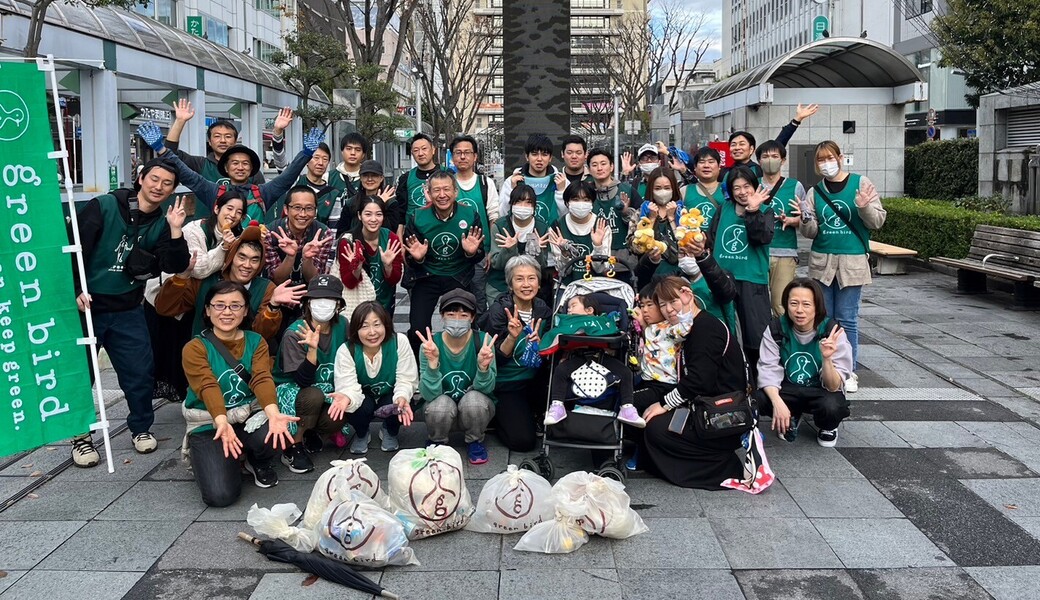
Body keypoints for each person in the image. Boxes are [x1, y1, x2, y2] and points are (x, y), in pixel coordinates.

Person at [69, 158, 191, 467]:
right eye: (154, 179)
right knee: (80, 374)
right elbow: (73, 249)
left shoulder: (164, 223)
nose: (159, 186)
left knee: (139, 371)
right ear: (140, 178)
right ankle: (80, 436)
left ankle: (140, 428)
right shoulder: (104, 206)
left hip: (127, 308)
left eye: (167, 184)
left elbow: (174, 266)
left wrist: (176, 232)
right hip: (88, 307)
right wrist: (73, 290)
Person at [181, 280, 299, 505]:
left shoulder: (256, 341)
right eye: (219, 305)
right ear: (207, 310)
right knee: (220, 496)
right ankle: (221, 458)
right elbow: (208, 385)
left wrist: (274, 414)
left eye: (235, 305)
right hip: (211, 422)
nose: (227, 312)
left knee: (274, 430)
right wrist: (222, 421)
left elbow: (261, 378)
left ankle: (255, 460)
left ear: (245, 310)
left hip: (248, 415)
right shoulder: (194, 348)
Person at [637, 280, 751, 489]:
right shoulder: (690, 326)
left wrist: (663, 404)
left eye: (673, 301)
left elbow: (699, 381)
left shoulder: (705, 328)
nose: (669, 310)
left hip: (723, 417)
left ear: (687, 295)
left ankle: (724, 468)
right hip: (704, 406)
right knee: (651, 422)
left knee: (657, 428)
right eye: (662, 305)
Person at [798, 140, 886, 393]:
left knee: (847, 319)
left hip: (852, 262)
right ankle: (825, 367)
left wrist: (863, 206)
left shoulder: (861, 183)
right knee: (822, 319)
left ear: (840, 157)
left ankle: (849, 371)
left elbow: (877, 221)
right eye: (820, 160)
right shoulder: (815, 192)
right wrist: (805, 217)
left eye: (829, 157)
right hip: (821, 262)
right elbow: (811, 232)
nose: (826, 163)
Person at [136, 121, 322, 220]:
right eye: (234, 163)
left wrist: (306, 154)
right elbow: (186, 173)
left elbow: (287, 178)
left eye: (245, 164)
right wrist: (161, 149)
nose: (240, 167)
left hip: (254, 256)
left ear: (252, 170)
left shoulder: (263, 192)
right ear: (225, 168)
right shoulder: (213, 191)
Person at [155, 225, 304, 340]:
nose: (247, 265)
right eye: (242, 257)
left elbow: (263, 334)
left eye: (254, 260)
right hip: (203, 359)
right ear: (231, 257)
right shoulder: (205, 281)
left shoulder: (265, 288)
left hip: (245, 364)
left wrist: (273, 307)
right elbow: (165, 308)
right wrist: (182, 275)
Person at [757, 277, 852, 447]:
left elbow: (833, 385)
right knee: (760, 398)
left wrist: (827, 358)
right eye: (794, 303)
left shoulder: (832, 332)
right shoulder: (776, 329)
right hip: (789, 388)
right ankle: (791, 413)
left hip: (820, 390)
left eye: (806, 304)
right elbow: (768, 368)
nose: (799, 310)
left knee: (832, 406)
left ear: (817, 306)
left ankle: (827, 426)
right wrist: (778, 403)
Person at [272, 275, 350, 472]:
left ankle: (311, 431)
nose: (323, 306)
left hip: (328, 388)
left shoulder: (342, 325)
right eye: (317, 301)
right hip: (296, 391)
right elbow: (302, 380)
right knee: (313, 395)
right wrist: (312, 350)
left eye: (329, 301)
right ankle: (293, 447)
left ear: (338, 305)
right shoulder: (295, 332)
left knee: (338, 415)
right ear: (307, 304)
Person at [403, 170, 485, 356]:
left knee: (465, 324)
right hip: (426, 275)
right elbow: (410, 259)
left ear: (455, 192)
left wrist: (471, 253)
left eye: (447, 189)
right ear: (429, 193)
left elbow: (480, 254)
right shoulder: (417, 217)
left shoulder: (469, 215)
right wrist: (418, 258)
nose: (442, 195)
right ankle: (421, 369)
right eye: (437, 190)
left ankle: (464, 363)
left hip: (458, 276)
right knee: (418, 328)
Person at [416, 290, 498, 464]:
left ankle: (475, 440)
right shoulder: (430, 345)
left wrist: (483, 368)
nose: (457, 319)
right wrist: (432, 364)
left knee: (474, 400)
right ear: (442, 316)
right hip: (442, 412)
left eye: (463, 315)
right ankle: (437, 440)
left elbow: (488, 389)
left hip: (474, 411)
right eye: (451, 314)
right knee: (439, 405)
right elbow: (428, 395)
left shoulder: (483, 341)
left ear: (472, 318)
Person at [479, 256, 552, 451]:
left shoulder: (543, 310)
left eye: (531, 278)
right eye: (519, 279)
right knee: (523, 442)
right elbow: (495, 360)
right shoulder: (498, 311)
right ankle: (495, 415)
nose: (526, 284)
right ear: (510, 284)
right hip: (507, 383)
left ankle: (531, 412)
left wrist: (541, 346)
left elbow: (549, 355)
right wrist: (511, 338)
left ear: (538, 282)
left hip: (535, 380)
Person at [712, 165, 774, 375]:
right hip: (723, 279)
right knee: (724, 330)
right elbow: (713, 238)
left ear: (755, 186)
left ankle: (757, 381)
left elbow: (761, 237)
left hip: (751, 280)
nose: (741, 192)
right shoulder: (724, 208)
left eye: (746, 186)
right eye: (736, 187)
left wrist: (753, 211)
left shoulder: (765, 210)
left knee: (754, 334)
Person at [544, 295, 642, 428]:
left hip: (602, 357)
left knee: (626, 373)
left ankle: (627, 407)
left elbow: (615, 333)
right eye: (567, 308)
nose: (569, 310)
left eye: (573, 306)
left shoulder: (602, 321)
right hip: (578, 357)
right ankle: (557, 406)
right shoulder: (568, 323)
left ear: (589, 310)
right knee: (560, 370)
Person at [335, 301, 419, 454]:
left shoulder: (399, 342)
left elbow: (406, 379)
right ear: (355, 329)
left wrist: (402, 396)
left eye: (377, 324)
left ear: (386, 325)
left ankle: (390, 430)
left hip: (390, 394)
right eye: (364, 326)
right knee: (351, 403)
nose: (372, 332)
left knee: (401, 401)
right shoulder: (346, 350)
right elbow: (348, 386)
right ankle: (362, 433)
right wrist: (347, 397)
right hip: (363, 396)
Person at [163, 99, 290, 183]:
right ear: (209, 141)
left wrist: (277, 130)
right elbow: (169, 156)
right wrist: (180, 121)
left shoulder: (250, 170)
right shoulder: (200, 165)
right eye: (217, 136)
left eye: (228, 136)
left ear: (235, 141)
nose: (223, 140)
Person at [719, 103, 819, 192]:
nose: (737, 148)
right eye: (733, 144)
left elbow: (778, 144)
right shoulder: (723, 172)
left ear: (751, 149)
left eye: (742, 144)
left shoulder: (759, 170)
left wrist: (796, 120)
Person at [756, 140, 806, 317]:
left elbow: (807, 219)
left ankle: (782, 341)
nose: (770, 160)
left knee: (780, 305)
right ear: (759, 161)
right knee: (756, 305)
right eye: (766, 156)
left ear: (783, 160)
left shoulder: (795, 186)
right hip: (756, 252)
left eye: (775, 156)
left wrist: (794, 220)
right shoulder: (752, 185)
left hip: (784, 252)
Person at [450, 135, 499, 313]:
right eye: (458, 153)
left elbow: (494, 218)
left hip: (480, 253)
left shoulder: (485, 183)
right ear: (452, 156)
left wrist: (492, 251)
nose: (462, 157)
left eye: (467, 153)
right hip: (453, 254)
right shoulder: (447, 184)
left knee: (479, 299)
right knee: (455, 298)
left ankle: (479, 336)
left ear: (475, 156)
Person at [338, 196, 404, 313]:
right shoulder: (348, 241)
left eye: (378, 214)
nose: (373, 219)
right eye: (368, 214)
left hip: (384, 303)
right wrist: (356, 269)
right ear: (359, 215)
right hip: (358, 304)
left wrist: (388, 266)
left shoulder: (391, 239)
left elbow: (395, 280)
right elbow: (348, 283)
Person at [486, 184, 550, 303]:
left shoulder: (541, 228)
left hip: (529, 287)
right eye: (518, 202)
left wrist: (538, 251)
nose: (523, 207)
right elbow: (496, 263)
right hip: (500, 285)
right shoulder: (499, 226)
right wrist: (509, 250)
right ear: (511, 204)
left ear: (534, 206)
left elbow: (542, 266)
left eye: (528, 202)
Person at [266, 142, 345, 231]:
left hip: (318, 242)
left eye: (325, 159)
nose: (320, 163)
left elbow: (333, 230)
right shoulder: (295, 182)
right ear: (307, 160)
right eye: (316, 158)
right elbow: (281, 163)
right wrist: (278, 133)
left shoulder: (333, 195)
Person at [265, 186, 334, 284]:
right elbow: (276, 279)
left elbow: (314, 280)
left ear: (315, 211)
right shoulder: (270, 233)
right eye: (297, 207)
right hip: (278, 292)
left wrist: (307, 258)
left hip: (310, 293)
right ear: (286, 209)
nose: (303, 214)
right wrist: (290, 257)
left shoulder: (324, 235)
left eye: (309, 208)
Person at [547, 181, 611, 286]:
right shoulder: (557, 228)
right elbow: (562, 271)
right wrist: (564, 254)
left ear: (592, 203)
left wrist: (598, 246)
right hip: (567, 287)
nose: (581, 204)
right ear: (567, 203)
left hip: (596, 287)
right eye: (575, 199)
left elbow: (601, 269)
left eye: (586, 200)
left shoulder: (602, 226)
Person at [588, 149, 636, 281]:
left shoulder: (627, 190)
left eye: (603, 163)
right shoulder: (585, 193)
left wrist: (627, 212)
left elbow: (643, 221)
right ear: (589, 169)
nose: (599, 168)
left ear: (612, 166)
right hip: (595, 261)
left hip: (624, 263)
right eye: (594, 164)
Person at [499, 134, 567, 225]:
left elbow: (567, 215)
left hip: (551, 237)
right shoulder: (512, 181)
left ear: (550, 158)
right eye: (534, 154)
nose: (539, 159)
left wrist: (561, 192)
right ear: (527, 157)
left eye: (544, 154)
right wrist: (512, 190)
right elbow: (503, 214)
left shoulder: (561, 181)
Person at [180, 190, 246, 280]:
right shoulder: (193, 231)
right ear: (216, 209)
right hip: (185, 286)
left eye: (239, 212)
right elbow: (197, 271)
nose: (233, 215)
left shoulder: (240, 236)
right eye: (229, 209)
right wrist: (223, 247)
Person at [633, 167, 682, 287]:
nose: (663, 192)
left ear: (673, 189)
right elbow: (634, 246)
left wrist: (671, 218)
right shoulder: (641, 211)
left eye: (667, 188)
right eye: (658, 188)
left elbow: (684, 243)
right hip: (649, 276)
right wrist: (651, 219)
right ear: (651, 189)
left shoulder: (682, 211)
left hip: (677, 276)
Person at [340, 159, 397, 239]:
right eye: (365, 175)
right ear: (360, 178)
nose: (370, 179)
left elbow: (392, 231)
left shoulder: (391, 202)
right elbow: (342, 233)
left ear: (381, 178)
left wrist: (380, 205)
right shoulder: (351, 203)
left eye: (374, 175)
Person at [397, 133, 441, 228]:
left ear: (433, 150)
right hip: (413, 232)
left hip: (441, 229)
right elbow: (401, 210)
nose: (420, 153)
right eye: (416, 150)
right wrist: (400, 231)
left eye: (424, 149)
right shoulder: (406, 178)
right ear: (412, 154)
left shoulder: (447, 174)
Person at [681, 147, 725, 232]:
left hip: (717, 241)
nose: (706, 165)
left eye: (711, 162)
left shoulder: (727, 190)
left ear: (719, 166)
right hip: (691, 242)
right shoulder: (684, 191)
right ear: (695, 167)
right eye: (702, 162)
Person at [328, 132, 369, 212]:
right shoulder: (329, 177)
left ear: (363, 154)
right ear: (342, 151)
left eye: (358, 150)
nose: (353, 153)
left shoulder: (368, 178)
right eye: (349, 149)